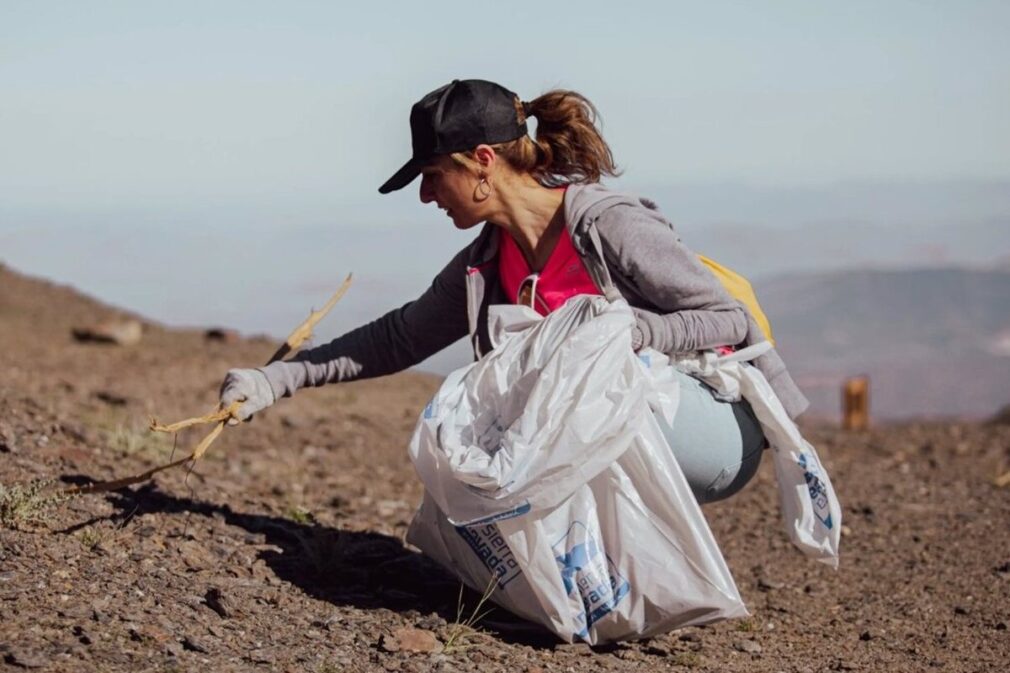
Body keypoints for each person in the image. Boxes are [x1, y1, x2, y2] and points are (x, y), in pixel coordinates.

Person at [220, 79, 809, 505]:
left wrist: (633, 332)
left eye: (431, 177)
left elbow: (727, 318)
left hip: (708, 434)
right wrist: (277, 379)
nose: (427, 197)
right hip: (620, 431)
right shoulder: (486, 263)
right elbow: (400, 337)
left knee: (564, 385)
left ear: (481, 162)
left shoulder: (609, 226)